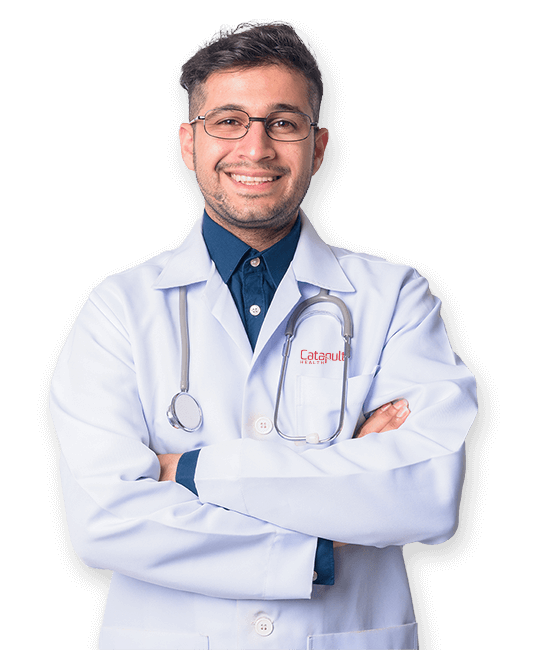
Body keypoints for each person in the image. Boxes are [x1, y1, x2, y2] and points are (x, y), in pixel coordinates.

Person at [50, 20, 477, 650]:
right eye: (227, 121)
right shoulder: (119, 307)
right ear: (187, 143)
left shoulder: (395, 297)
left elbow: (427, 494)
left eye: (284, 122)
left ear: (319, 145)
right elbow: (103, 519)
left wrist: (188, 472)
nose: (256, 148)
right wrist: (325, 528)